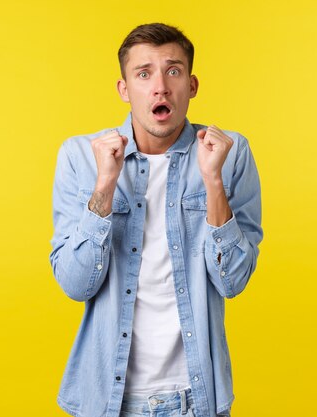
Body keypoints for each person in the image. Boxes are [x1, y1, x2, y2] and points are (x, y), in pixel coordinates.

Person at [50, 23, 263, 417]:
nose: (160, 87)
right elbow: (75, 284)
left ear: (192, 85)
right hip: (105, 401)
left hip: (198, 400)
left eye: (173, 70)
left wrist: (213, 181)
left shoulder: (229, 153)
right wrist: (106, 185)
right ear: (124, 89)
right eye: (144, 73)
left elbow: (233, 281)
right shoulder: (80, 156)